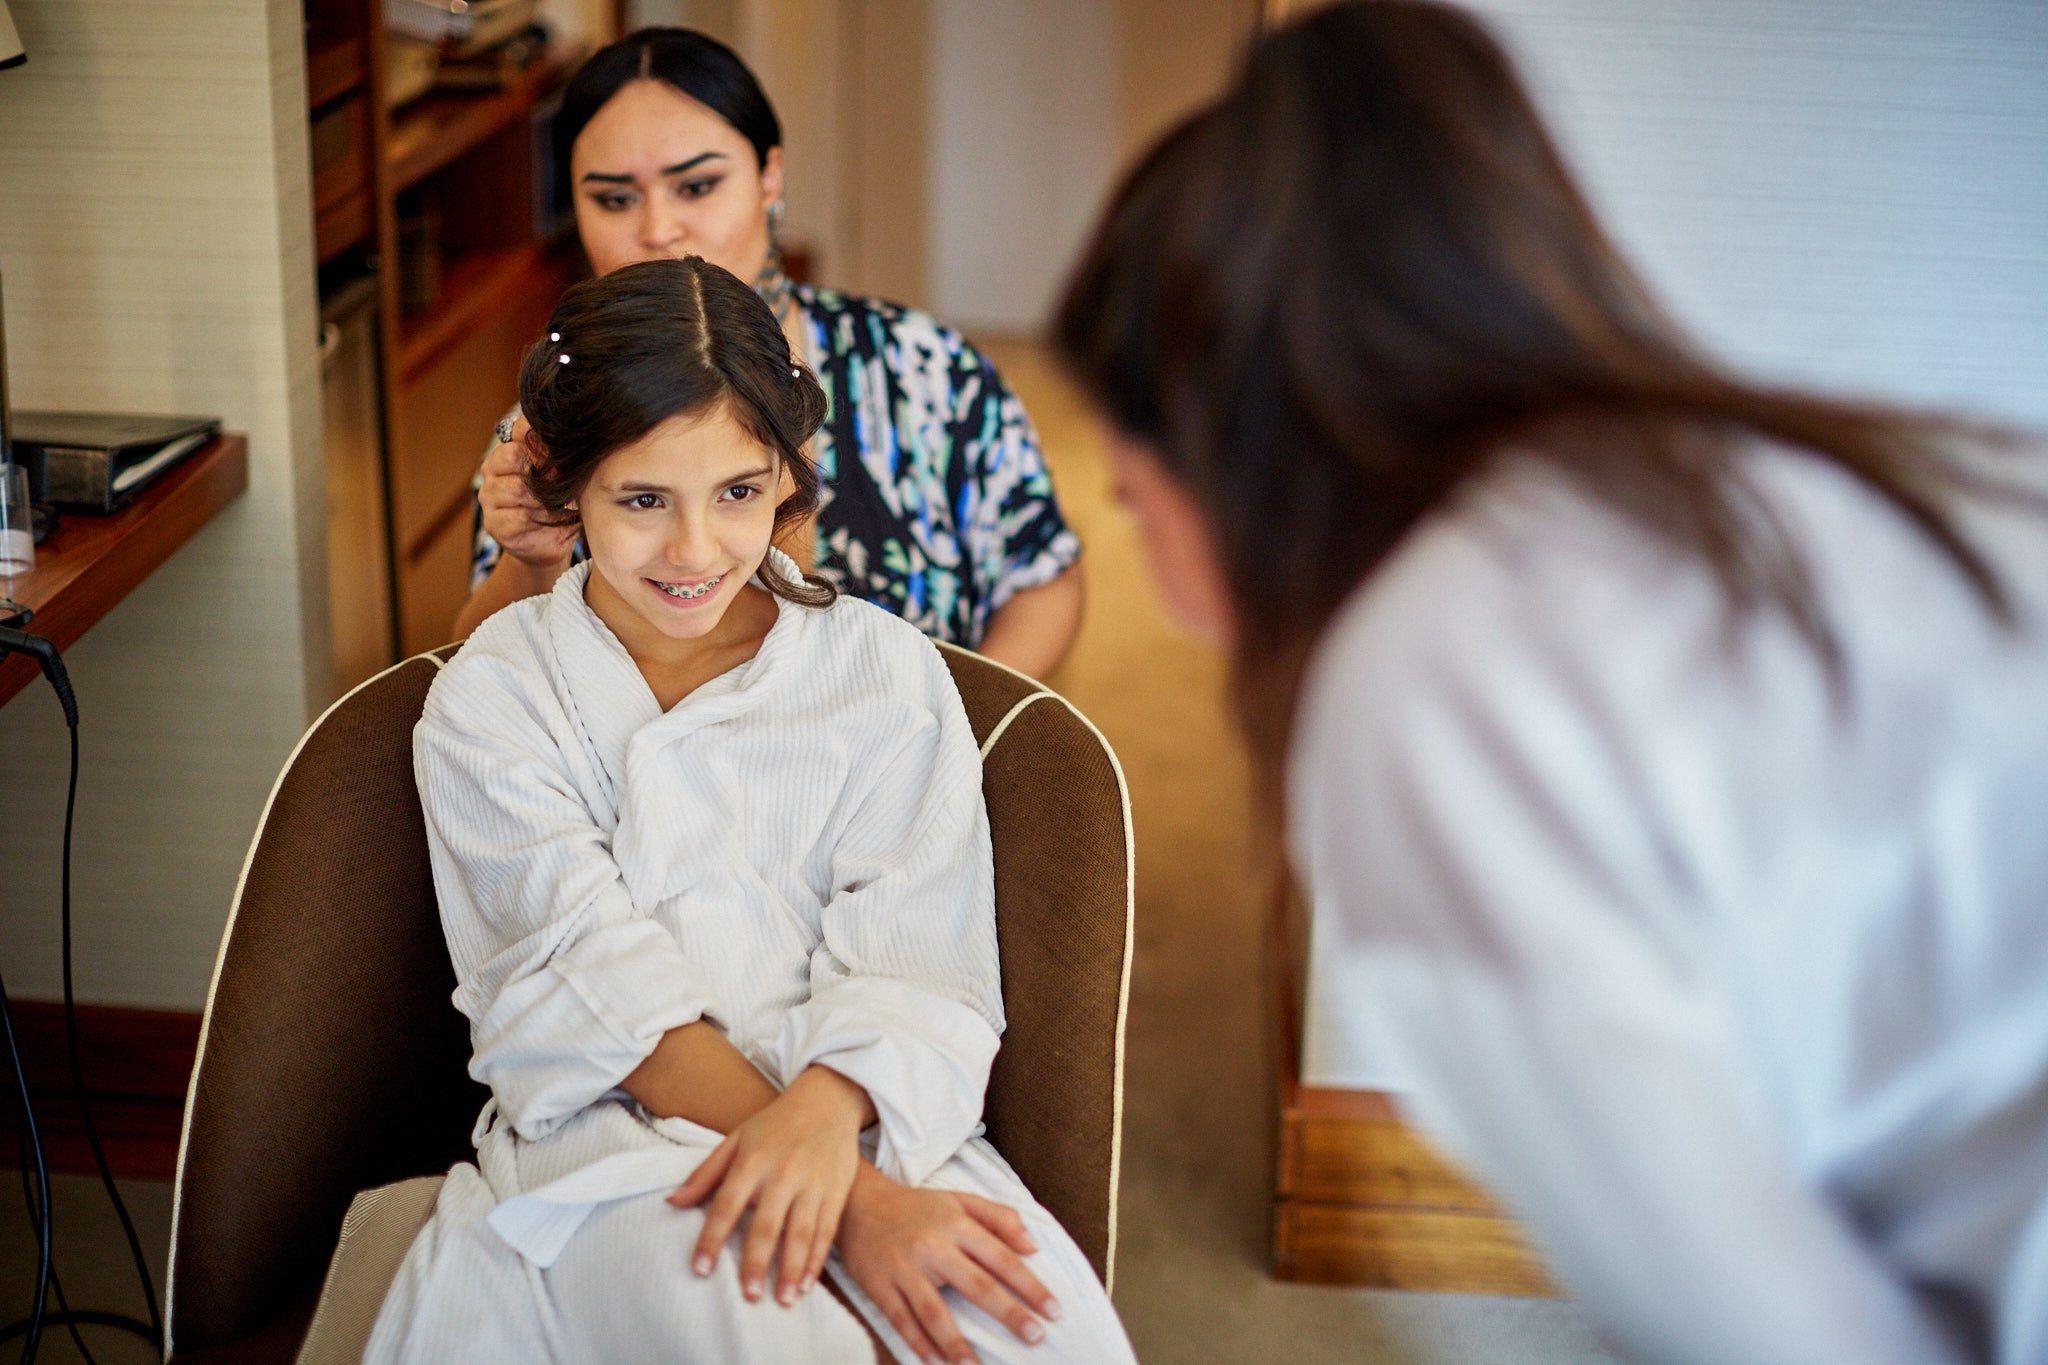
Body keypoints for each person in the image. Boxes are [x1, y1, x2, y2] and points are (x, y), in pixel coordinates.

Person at [1053, 4, 2048, 1363]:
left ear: (1229, 456)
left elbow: (1776, 1331)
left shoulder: (1426, 692)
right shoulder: (1822, 467)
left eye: (1131, 490)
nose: (1143, 551)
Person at [370, 257, 1136, 1365]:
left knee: (1038, 1334)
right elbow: (584, 992)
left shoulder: (880, 669)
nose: (694, 552)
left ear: (786, 474)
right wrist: (851, 1211)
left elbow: (922, 954)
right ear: (563, 485)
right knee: (768, 1336)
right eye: (642, 501)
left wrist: (834, 1137)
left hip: (862, 1107)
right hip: (618, 1141)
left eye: (736, 492)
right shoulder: (493, 698)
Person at [452, 28, 1084, 679]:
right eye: (614, 198)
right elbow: (483, 680)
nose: (659, 229)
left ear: (770, 176)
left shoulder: (927, 370)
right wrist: (529, 560)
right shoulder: (547, 424)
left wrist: (959, 735)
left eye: (696, 187)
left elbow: (1042, 575)